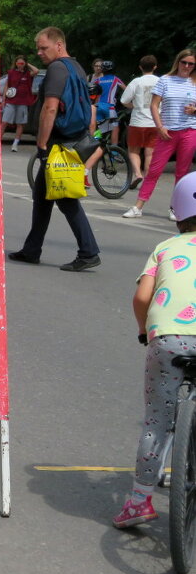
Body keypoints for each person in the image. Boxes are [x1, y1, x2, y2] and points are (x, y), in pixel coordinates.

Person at [114, 172, 196, 528]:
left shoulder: (164, 248)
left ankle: (137, 501)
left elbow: (142, 297)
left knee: (156, 422)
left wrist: (144, 330)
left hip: (167, 339)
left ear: (177, 212)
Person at [8, 27, 100, 271]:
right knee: (42, 196)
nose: (39, 52)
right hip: (73, 139)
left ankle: (89, 252)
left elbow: (50, 107)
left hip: (58, 144)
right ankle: (31, 249)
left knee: (66, 199)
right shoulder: (76, 67)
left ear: (59, 45)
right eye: (38, 48)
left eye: (43, 47)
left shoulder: (57, 69)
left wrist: (41, 143)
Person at [120, 49, 196, 219]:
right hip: (166, 131)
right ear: (178, 62)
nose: (187, 66)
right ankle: (138, 206)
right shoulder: (165, 80)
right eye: (184, 62)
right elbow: (154, 105)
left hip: (189, 131)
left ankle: (176, 208)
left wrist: (195, 110)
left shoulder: (194, 82)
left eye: (191, 64)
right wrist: (160, 126)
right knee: (154, 170)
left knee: (182, 172)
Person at [119, 55, 160, 198]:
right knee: (150, 153)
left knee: (133, 150)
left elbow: (124, 100)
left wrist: (134, 106)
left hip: (137, 121)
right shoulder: (161, 81)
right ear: (155, 67)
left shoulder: (136, 82)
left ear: (140, 67)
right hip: (155, 123)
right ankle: (147, 181)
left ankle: (137, 174)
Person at [0, 55, 40, 151]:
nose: (20, 65)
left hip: (23, 102)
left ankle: (15, 144)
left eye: (22, 63)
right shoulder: (11, 73)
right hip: (11, 101)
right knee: (4, 122)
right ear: (15, 63)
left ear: (24, 63)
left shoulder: (28, 74)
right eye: (18, 63)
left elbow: (36, 71)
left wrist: (27, 64)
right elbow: (7, 86)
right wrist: (4, 100)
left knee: (20, 123)